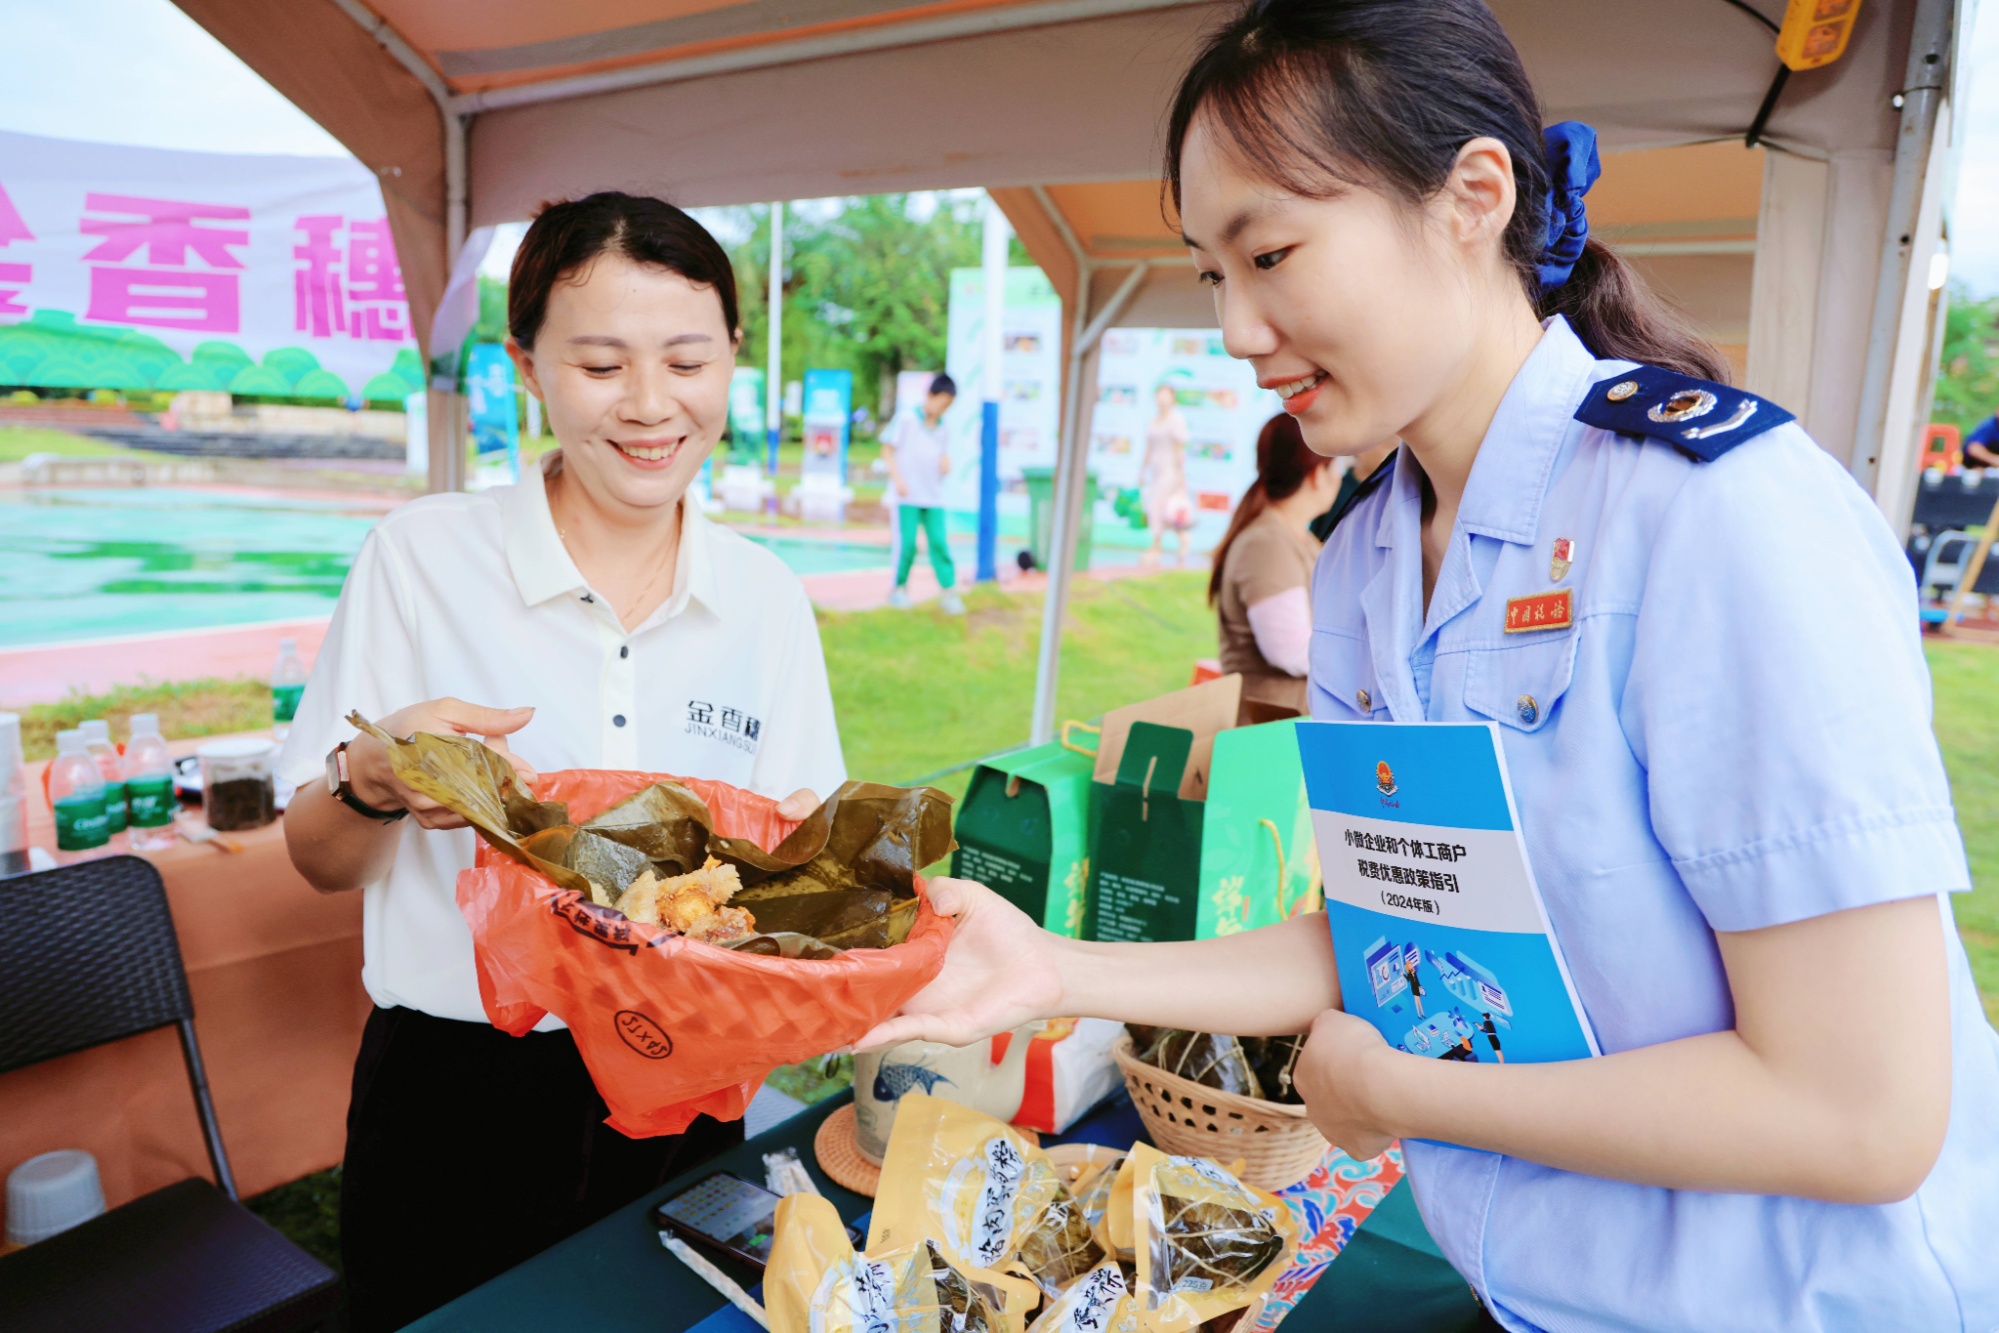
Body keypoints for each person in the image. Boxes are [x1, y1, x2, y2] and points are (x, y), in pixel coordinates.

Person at [858, 4, 1999, 1331]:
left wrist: (1403, 1095)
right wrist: (1056, 969)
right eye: (1207, 271)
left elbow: (1857, 1115)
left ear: (1470, 196)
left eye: (1270, 252)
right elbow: (1389, 933)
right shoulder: (1363, 563)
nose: (1232, 326)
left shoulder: (1712, 518)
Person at [279, 192, 845, 1332]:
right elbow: (317, 859)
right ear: (525, 364)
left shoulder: (766, 599)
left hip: (689, 1079)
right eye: (599, 363)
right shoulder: (421, 557)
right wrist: (373, 779)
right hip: (458, 1093)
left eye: (687, 359)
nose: (649, 406)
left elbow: (800, 872)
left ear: (733, 357)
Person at [1209, 413, 1343, 721]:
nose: (1339, 478)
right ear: (1317, 474)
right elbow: (1290, 651)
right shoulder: (1267, 544)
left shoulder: (1296, 537)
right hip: (1267, 738)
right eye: (1335, 466)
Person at [881, 373, 964, 614]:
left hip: (933, 496)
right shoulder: (906, 418)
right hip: (907, 496)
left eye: (948, 406)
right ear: (931, 395)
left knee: (939, 543)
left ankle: (949, 592)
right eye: (942, 402)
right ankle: (898, 589)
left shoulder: (943, 428)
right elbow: (887, 449)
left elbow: (941, 454)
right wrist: (898, 479)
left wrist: (946, 463)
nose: (943, 409)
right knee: (907, 544)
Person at [1141, 381, 1195, 566]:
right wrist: (1142, 471)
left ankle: (1156, 547)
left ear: (1173, 398)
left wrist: (1181, 475)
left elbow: (1180, 449)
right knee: (1157, 507)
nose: (1162, 397)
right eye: (1159, 393)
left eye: (1166, 394)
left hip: (1170, 470)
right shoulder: (1153, 421)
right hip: (1156, 470)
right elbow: (1148, 448)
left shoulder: (1176, 419)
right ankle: (1182, 538)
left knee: (1161, 506)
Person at [1311, 438, 1396, 540]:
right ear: (1359, 449)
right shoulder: (1335, 491)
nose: (1393, 454)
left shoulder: (1392, 496)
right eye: (1387, 446)